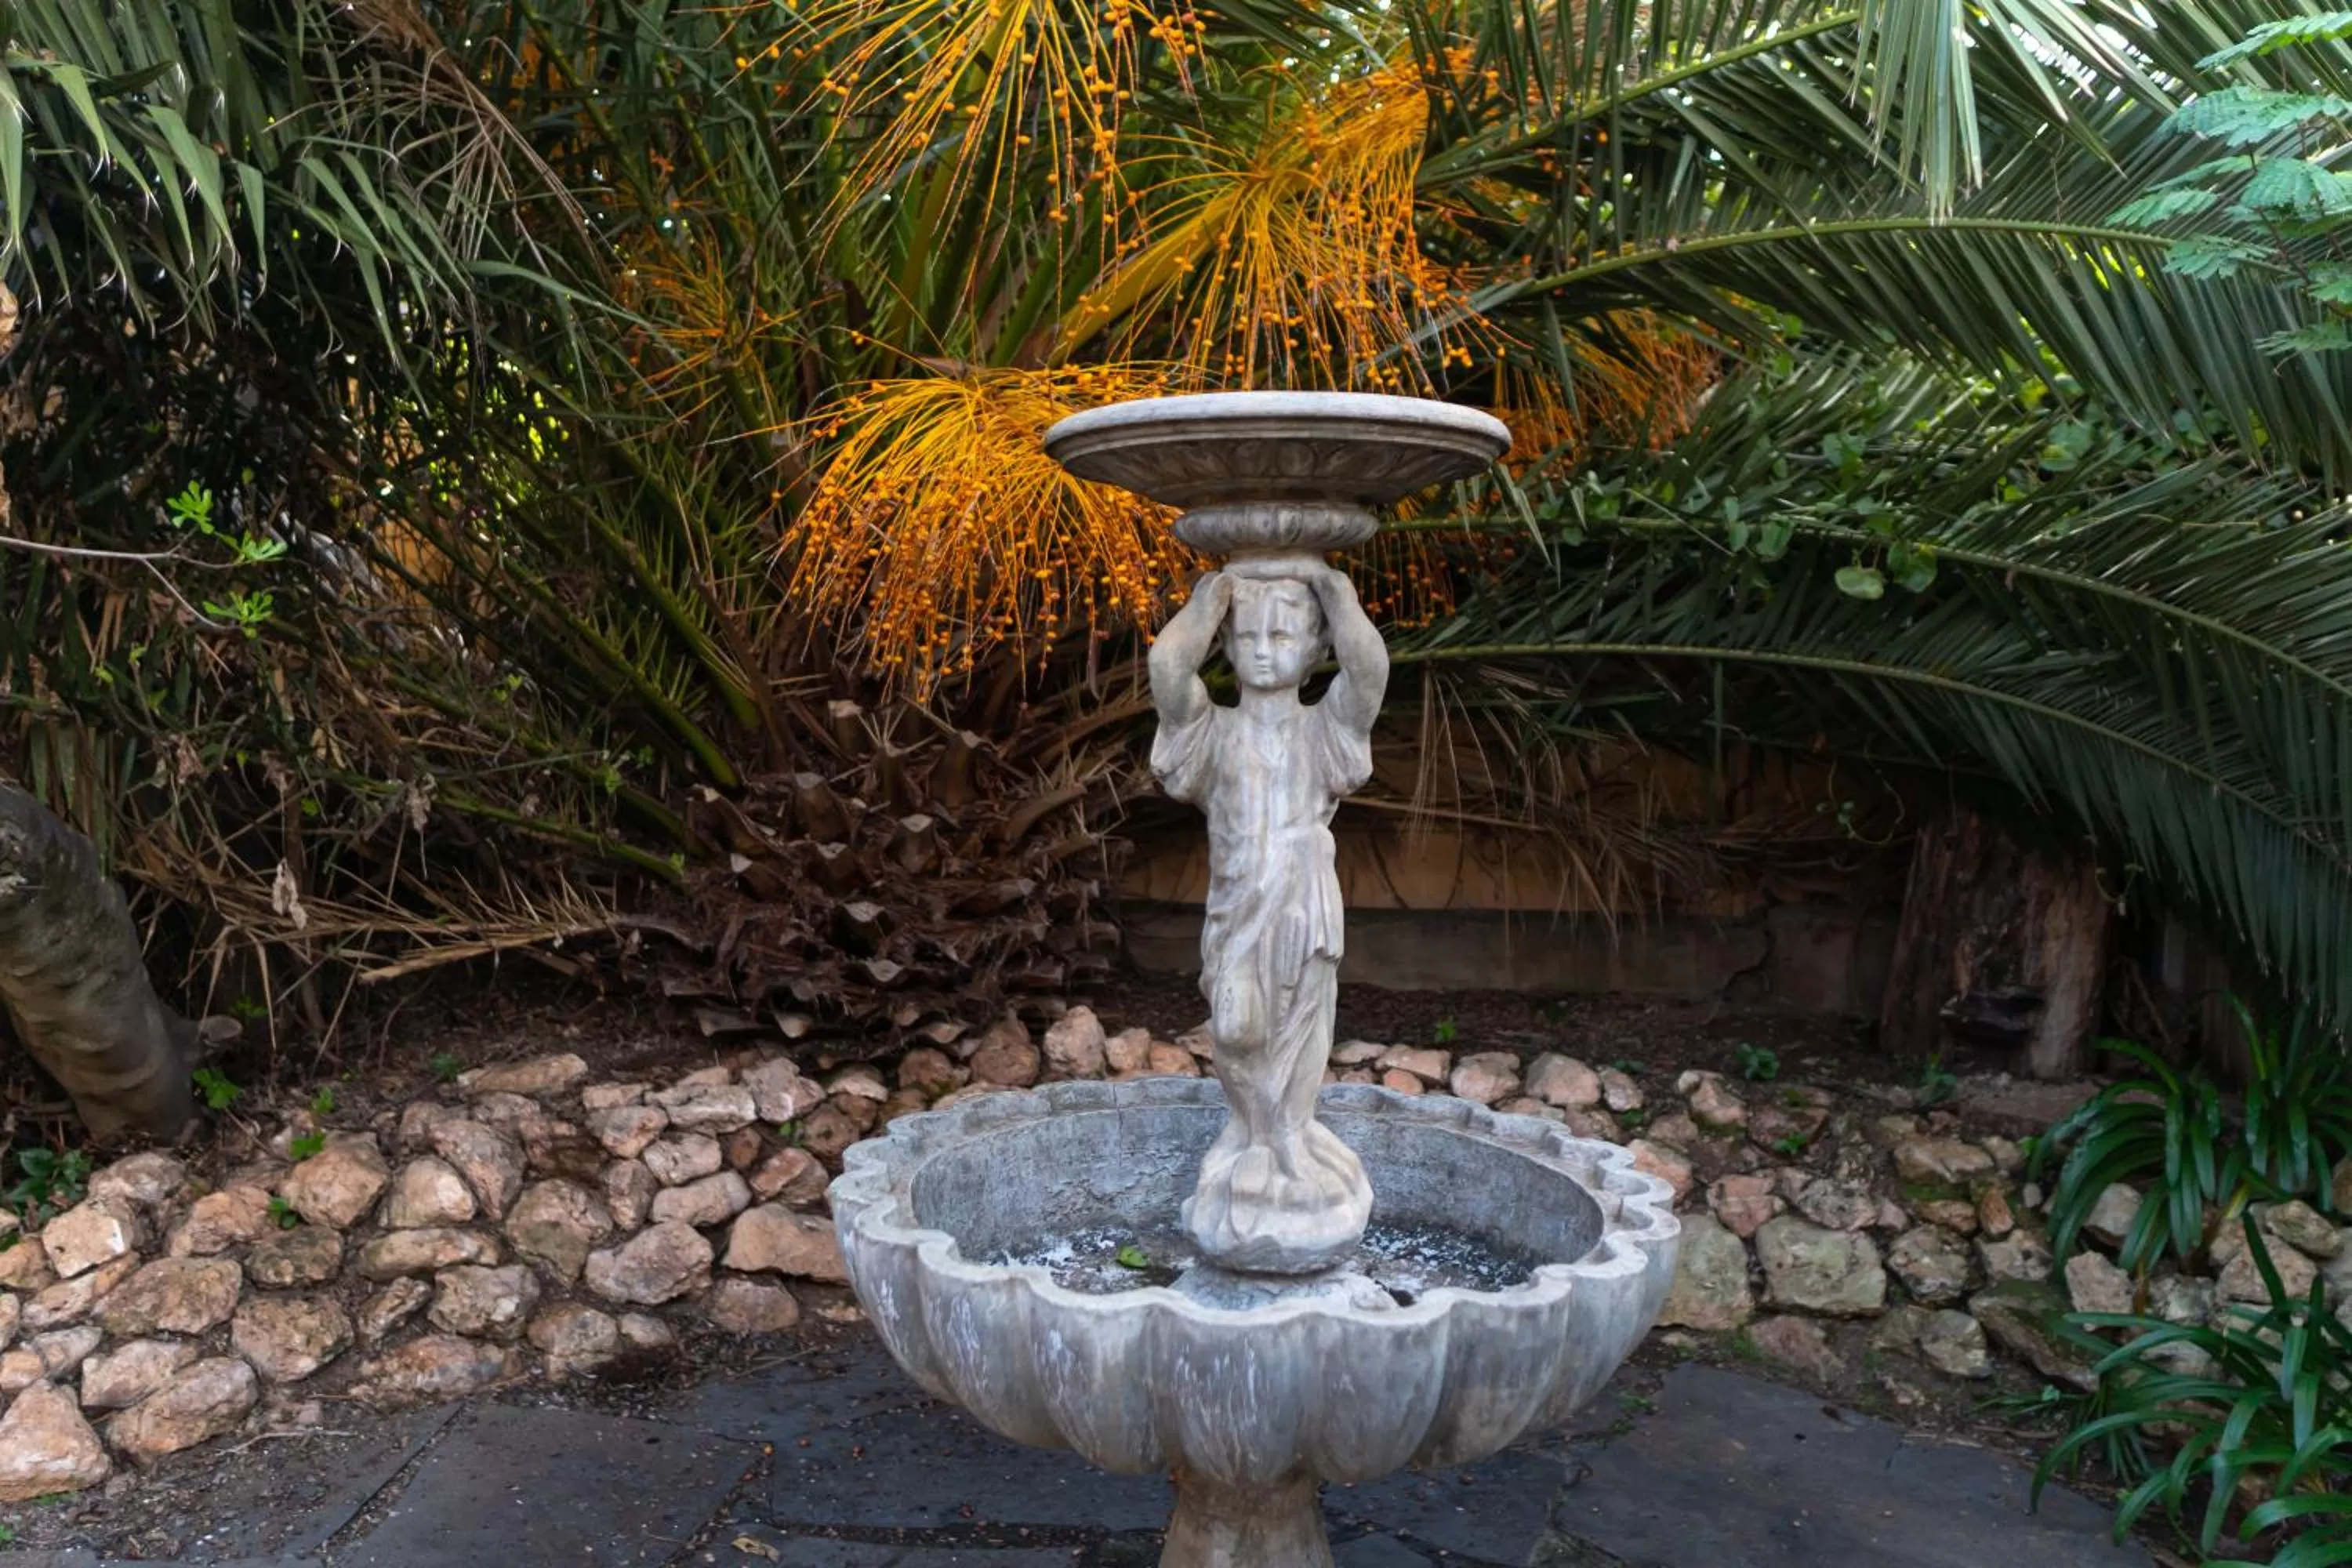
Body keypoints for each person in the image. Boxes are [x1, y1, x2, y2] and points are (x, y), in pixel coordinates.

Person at [1148, 556, 1387, 1273]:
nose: (1262, 650)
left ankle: (1282, 1137)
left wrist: (1338, 594)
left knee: (1301, 1027)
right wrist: (1209, 601)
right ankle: (1262, 1130)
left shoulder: (1325, 730)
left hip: (1304, 902)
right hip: (1237, 907)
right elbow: (1167, 671)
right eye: (1248, 636)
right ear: (1226, 645)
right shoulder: (1212, 732)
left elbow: (1369, 675)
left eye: (1282, 637)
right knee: (1236, 1026)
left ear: (1314, 651)